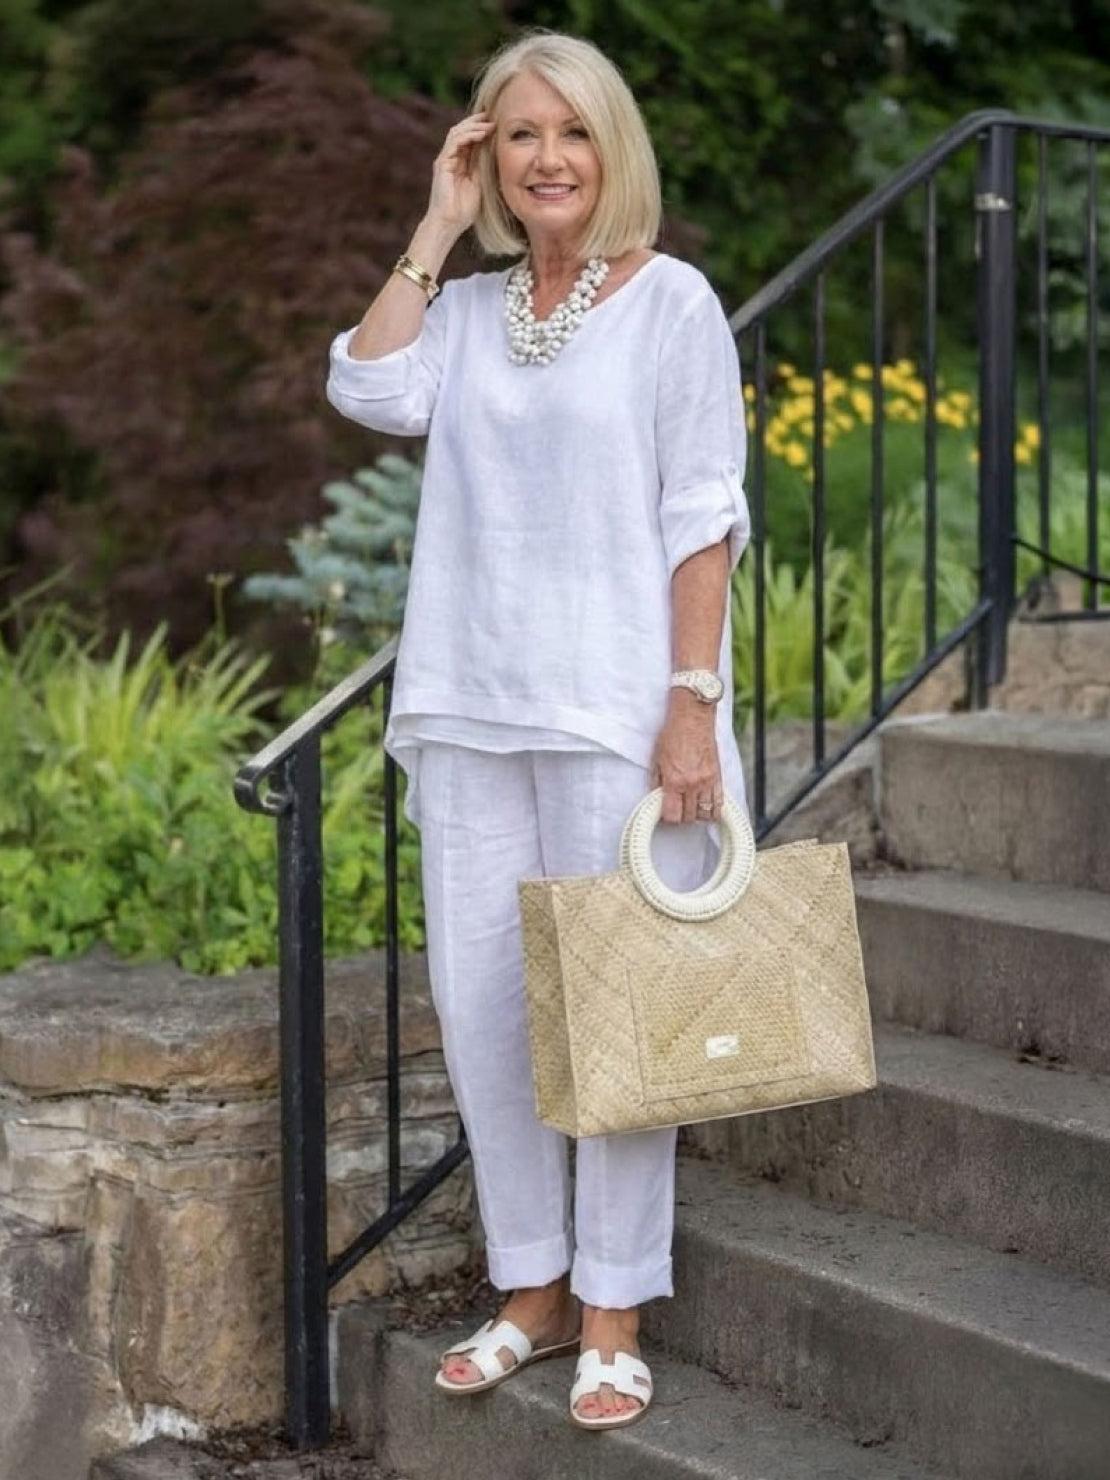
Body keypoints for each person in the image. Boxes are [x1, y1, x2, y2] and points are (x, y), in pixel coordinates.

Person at [325, 29, 750, 1432]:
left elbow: (702, 516)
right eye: (518, 135)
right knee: (486, 1009)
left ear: (610, 146)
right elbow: (366, 386)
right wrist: (435, 226)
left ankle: (616, 1305)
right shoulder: (464, 311)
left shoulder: (671, 304)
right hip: (467, 705)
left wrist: (690, 710)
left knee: (618, 1008)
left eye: (570, 131)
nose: (547, 158)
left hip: (614, 713)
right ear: (487, 156)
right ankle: (533, 1286)